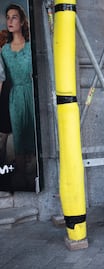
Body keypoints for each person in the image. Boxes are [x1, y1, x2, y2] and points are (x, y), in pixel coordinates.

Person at [1, 4, 36, 183]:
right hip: (15, 96)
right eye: (8, 17)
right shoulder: (4, 51)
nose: (10, 21)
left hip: (32, 93)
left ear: (22, 21)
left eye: (14, 17)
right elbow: (0, 78)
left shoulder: (31, 47)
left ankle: (34, 174)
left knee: (33, 131)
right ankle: (22, 177)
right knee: (19, 135)